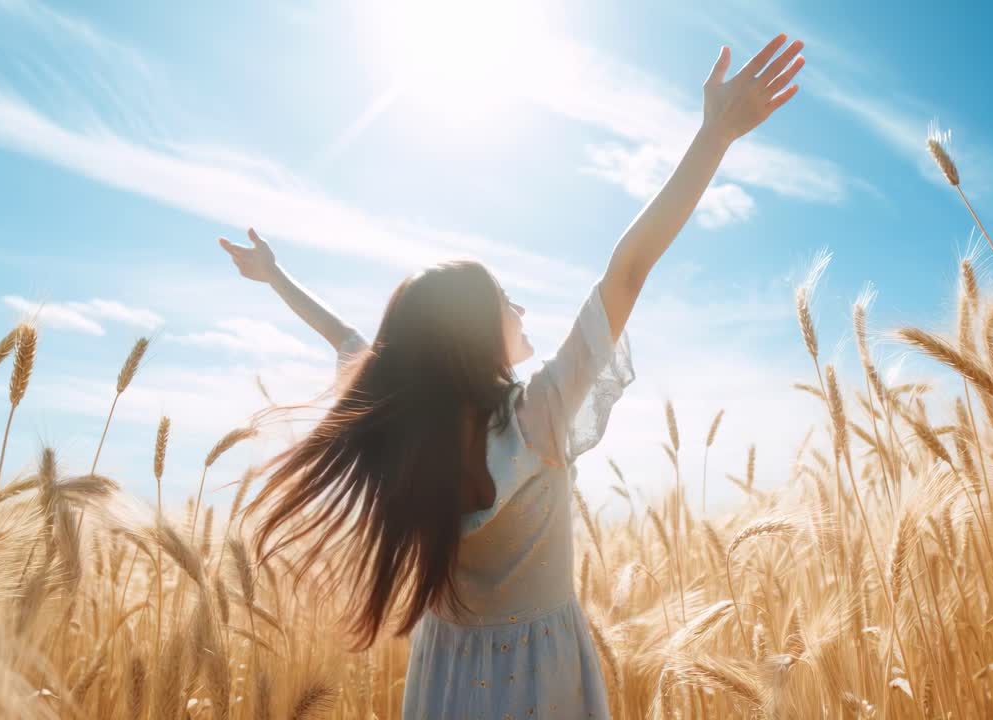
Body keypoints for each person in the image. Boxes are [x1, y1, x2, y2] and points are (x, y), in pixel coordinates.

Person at [221, 35, 804, 719]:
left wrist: (274, 276)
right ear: (470, 332)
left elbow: (345, 337)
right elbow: (627, 270)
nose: (522, 308)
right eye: (505, 300)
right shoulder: (540, 417)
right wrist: (714, 138)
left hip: (445, 676)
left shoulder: (407, 418)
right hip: (541, 680)